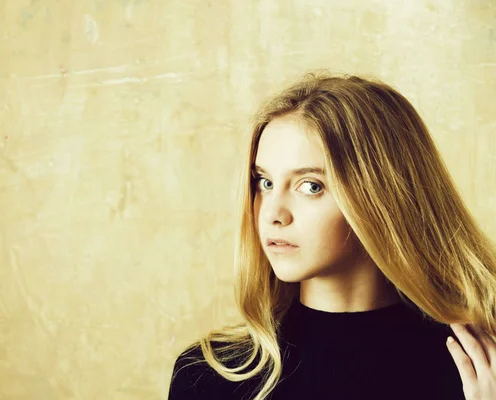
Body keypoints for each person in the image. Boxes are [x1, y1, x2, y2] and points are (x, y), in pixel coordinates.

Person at [167, 71, 496, 400]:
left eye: (310, 186)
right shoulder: (209, 377)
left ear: (381, 198)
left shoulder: (476, 365)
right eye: (264, 182)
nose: (273, 214)